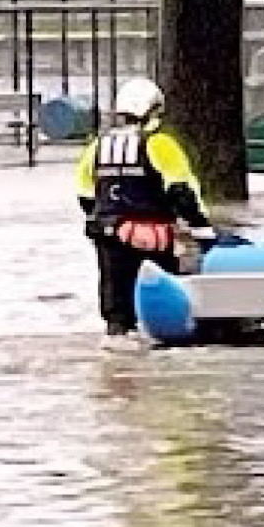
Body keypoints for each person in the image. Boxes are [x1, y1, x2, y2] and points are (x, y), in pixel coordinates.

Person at [76, 78, 216, 341]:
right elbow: (181, 191)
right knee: (162, 300)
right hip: (153, 236)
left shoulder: (97, 147)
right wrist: (202, 229)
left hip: (109, 235)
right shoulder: (160, 144)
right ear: (153, 111)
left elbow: (85, 196)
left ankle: (119, 338)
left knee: (117, 310)